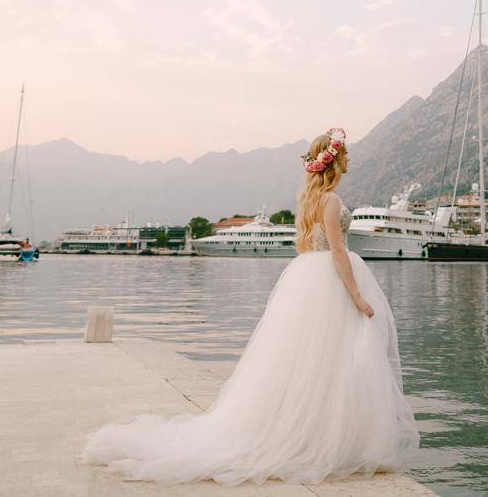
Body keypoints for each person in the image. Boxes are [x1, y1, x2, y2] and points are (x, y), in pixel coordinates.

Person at [80, 127, 419, 485]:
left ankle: (316, 432)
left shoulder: (310, 201)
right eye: (345, 155)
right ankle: (326, 437)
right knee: (333, 359)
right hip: (331, 280)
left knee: (311, 361)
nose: (349, 159)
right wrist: (358, 296)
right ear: (333, 160)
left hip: (309, 278)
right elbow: (337, 250)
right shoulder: (332, 202)